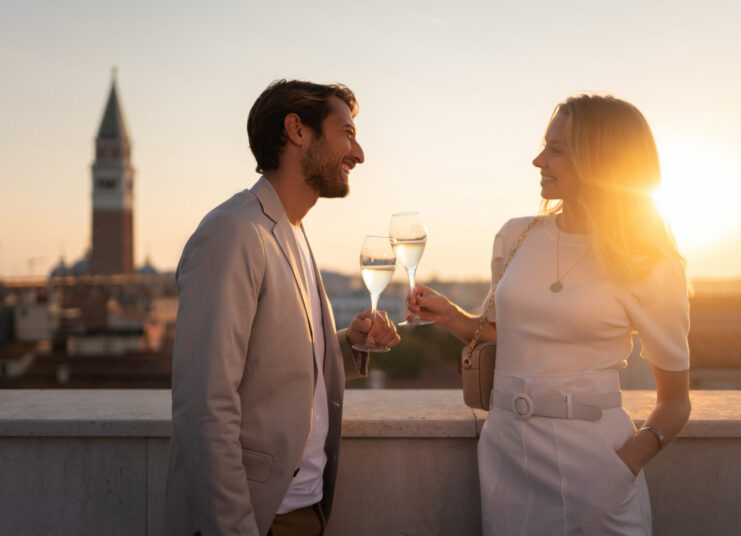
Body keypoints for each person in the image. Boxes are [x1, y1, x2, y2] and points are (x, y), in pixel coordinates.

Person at [408, 94, 691, 535]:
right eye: (546, 144)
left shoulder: (650, 265)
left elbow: (675, 402)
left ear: (602, 161)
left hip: (595, 466)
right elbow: (502, 336)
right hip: (507, 457)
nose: (539, 159)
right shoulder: (516, 235)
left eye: (557, 149)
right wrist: (450, 316)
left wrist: (622, 468)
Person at [163, 79, 400, 536]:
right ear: (297, 130)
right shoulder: (233, 232)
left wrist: (348, 346)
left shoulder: (292, 230)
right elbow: (205, 407)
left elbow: (270, 360)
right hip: (260, 516)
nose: (359, 152)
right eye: (346, 133)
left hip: (306, 508)